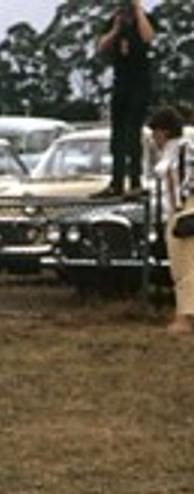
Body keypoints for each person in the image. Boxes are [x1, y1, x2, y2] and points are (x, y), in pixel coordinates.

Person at [97, 0, 154, 197]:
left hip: (139, 83)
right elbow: (102, 46)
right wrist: (115, 28)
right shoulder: (114, 21)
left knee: (133, 133)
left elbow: (148, 37)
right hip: (121, 82)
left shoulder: (143, 20)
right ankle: (117, 181)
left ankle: (136, 182)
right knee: (117, 136)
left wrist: (138, 9)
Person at [148, 106, 193, 335]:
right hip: (177, 211)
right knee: (180, 267)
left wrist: (181, 208)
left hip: (185, 211)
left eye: (155, 132)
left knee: (186, 268)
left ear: (163, 132)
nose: (154, 138)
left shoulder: (182, 151)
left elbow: (182, 182)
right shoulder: (173, 151)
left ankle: (185, 316)